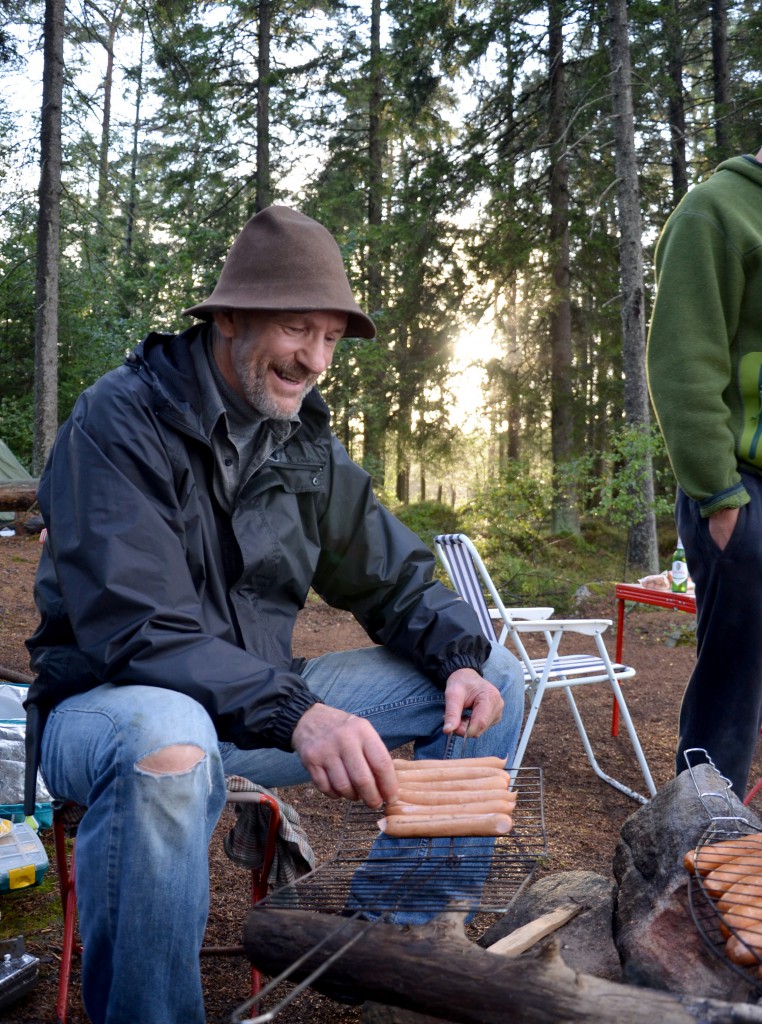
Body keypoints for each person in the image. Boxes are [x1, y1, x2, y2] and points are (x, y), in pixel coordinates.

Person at [24, 205, 524, 1024]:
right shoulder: (118, 421)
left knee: (493, 671)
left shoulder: (302, 446)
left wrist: (461, 651)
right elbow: (137, 627)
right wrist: (300, 714)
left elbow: (396, 581)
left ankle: (398, 944)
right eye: (297, 329)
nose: (315, 360)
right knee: (169, 740)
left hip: (251, 704)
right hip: (107, 707)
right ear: (227, 317)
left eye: (331, 338)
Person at [646, 146, 762, 798]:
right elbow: (685, 365)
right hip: (743, 490)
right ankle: (699, 861)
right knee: (732, 699)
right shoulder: (716, 211)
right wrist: (722, 501)